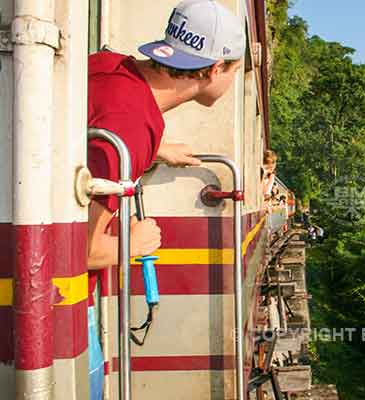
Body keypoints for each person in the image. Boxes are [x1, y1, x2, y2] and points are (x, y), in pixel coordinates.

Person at [86, 1, 245, 399]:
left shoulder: (108, 68)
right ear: (214, 70)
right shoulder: (130, 125)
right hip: (60, 306)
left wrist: (155, 145)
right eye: (234, 71)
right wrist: (133, 243)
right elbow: (78, 249)